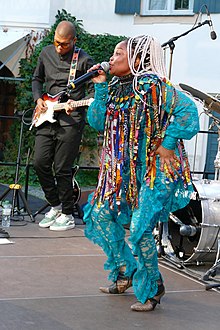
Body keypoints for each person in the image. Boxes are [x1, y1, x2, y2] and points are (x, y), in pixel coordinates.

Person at [83, 35, 200, 311]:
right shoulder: (112, 87)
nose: (111, 59)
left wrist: (168, 144)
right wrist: (100, 88)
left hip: (154, 171)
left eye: (118, 54)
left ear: (137, 60)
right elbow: (97, 121)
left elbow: (188, 111)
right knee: (99, 214)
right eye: (112, 54)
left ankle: (153, 287)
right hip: (123, 173)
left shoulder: (154, 86)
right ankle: (125, 270)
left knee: (138, 229)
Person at [32, 21, 94, 231]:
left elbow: (96, 92)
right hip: (46, 115)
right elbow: (36, 79)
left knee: (62, 168)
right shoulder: (45, 53)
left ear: (74, 41)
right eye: (57, 43)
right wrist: (38, 99)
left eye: (65, 44)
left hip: (71, 119)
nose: (60, 48)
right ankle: (55, 204)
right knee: (39, 162)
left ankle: (67, 212)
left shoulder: (84, 60)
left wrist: (77, 104)